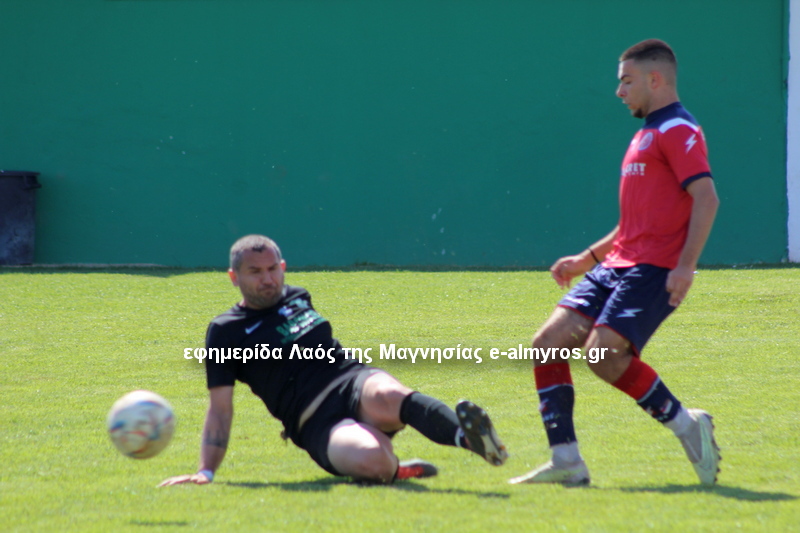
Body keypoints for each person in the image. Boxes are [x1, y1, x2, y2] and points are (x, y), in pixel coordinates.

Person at [509, 39, 721, 486]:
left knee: (602, 355)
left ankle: (687, 426)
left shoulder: (678, 129)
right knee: (547, 343)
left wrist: (685, 266)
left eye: (626, 81)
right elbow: (634, 222)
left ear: (655, 79)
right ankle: (566, 461)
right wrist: (586, 259)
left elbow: (707, 198)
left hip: (654, 269)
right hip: (617, 265)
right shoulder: (645, 134)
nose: (619, 91)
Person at [160, 235, 507, 487]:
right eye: (255, 272)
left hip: (352, 380)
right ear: (234, 277)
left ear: (283, 267)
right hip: (314, 419)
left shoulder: (298, 296)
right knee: (373, 461)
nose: (267, 279)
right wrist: (206, 471)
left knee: (389, 392)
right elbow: (220, 409)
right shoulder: (225, 331)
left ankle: (472, 440)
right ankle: (395, 468)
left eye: (272, 269)